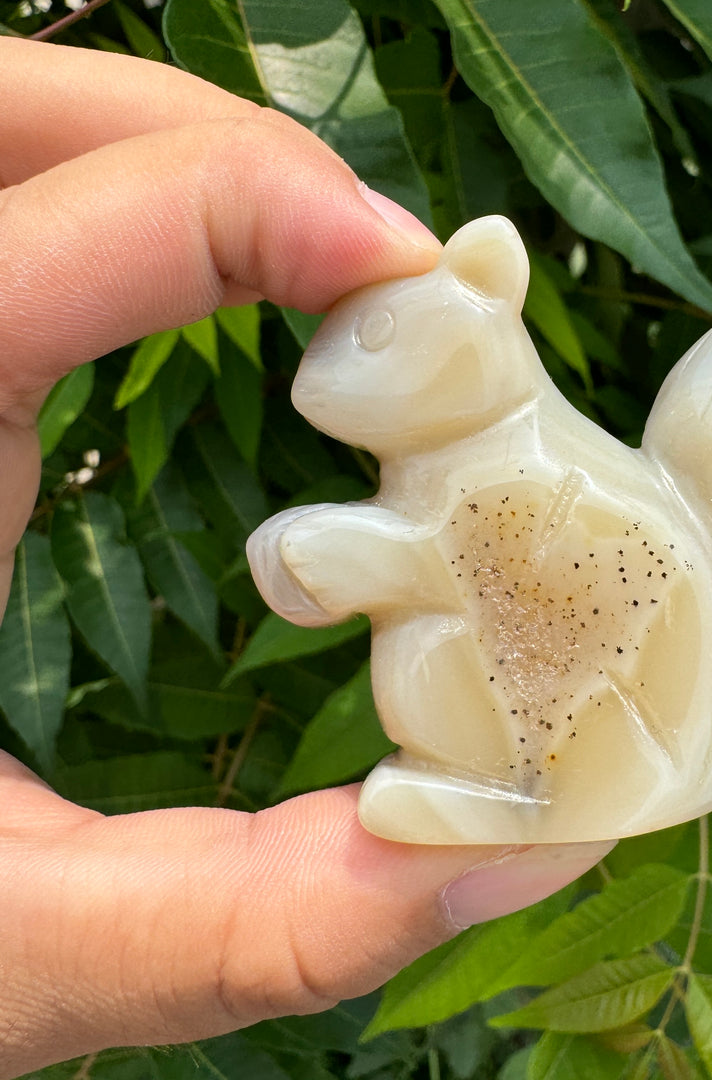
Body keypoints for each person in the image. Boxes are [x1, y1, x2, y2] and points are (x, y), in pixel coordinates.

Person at [0, 38, 612, 1079]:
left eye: (377, 349)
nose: (327, 389)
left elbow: (469, 574)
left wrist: (349, 555)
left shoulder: (532, 471)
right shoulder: (437, 469)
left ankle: (488, 785)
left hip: (555, 701)